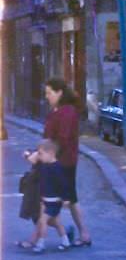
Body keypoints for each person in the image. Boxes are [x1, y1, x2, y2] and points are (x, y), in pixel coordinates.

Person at [43, 77, 92, 247]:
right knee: (63, 198)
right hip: (54, 159)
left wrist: (48, 154)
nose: (47, 96)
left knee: (68, 198)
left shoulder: (67, 112)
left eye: (49, 93)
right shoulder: (57, 110)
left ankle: (81, 233)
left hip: (64, 161)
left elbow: (62, 139)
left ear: (59, 93)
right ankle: (71, 232)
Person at [24, 139, 72, 253]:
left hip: (54, 201)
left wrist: (66, 198)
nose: (39, 156)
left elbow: (63, 184)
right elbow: (32, 160)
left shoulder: (56, 168)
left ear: (51, 153)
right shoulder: (44, 165)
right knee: (56, 222)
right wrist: (30, 154)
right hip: (46, 200)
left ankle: (41, 244)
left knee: (42, 221)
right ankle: (65, 241)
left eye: (41, 153)